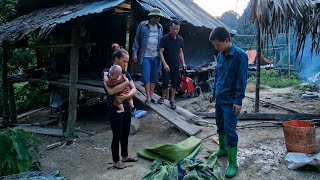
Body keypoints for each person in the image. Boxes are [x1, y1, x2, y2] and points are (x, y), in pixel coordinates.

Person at [209, 27, 248, 178]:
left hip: (231, 101)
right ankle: (223, 149)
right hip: (220, 98)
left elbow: (242, 80)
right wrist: (213, 92)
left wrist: (238, 101)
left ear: (226, 41)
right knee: (220, 125)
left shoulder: (240, 56)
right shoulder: (220, 55)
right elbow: (218, 76)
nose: (216, 48)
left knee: (230, 130)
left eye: (217, 45)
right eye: (214, 46)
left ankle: (233, 163)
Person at [103, 49, 139, 169]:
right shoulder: (107, 72)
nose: (125, 64)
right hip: (114, 108)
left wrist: (127, 96)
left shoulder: (125, 73)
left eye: (127, 61)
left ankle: (124, 156)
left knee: (125, 133)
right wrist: (125, 84)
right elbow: (111, 91)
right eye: (124, 61)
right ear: (116, 59)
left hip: (126, 106)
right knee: (116, 135)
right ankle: (116, 160)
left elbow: (134, 89)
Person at [132, 8, 163, 104]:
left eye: (159, 18)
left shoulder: (160, 27)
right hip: (145, 56)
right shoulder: (143, 25)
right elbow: (136, 40)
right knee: (146, 77)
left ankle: (151, 94)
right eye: (156, 17)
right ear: (151, 17)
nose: (157, 19)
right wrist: (135, 53)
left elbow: (161, 42)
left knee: (154, 77)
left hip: (156, 56)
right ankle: (148, 97)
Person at [158, 19, 187, 109]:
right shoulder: (164, 38)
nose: (175, 31)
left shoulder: (180, 39)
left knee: (175, 83)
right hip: (166, 64)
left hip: (176, 64)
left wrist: (183, 63)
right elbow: (160, 52)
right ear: (170, 27)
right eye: (174, 28)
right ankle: (162, 97)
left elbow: (180, 52)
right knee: (165, 82)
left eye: (177, 29)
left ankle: (172, 100)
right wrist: (164, 64)